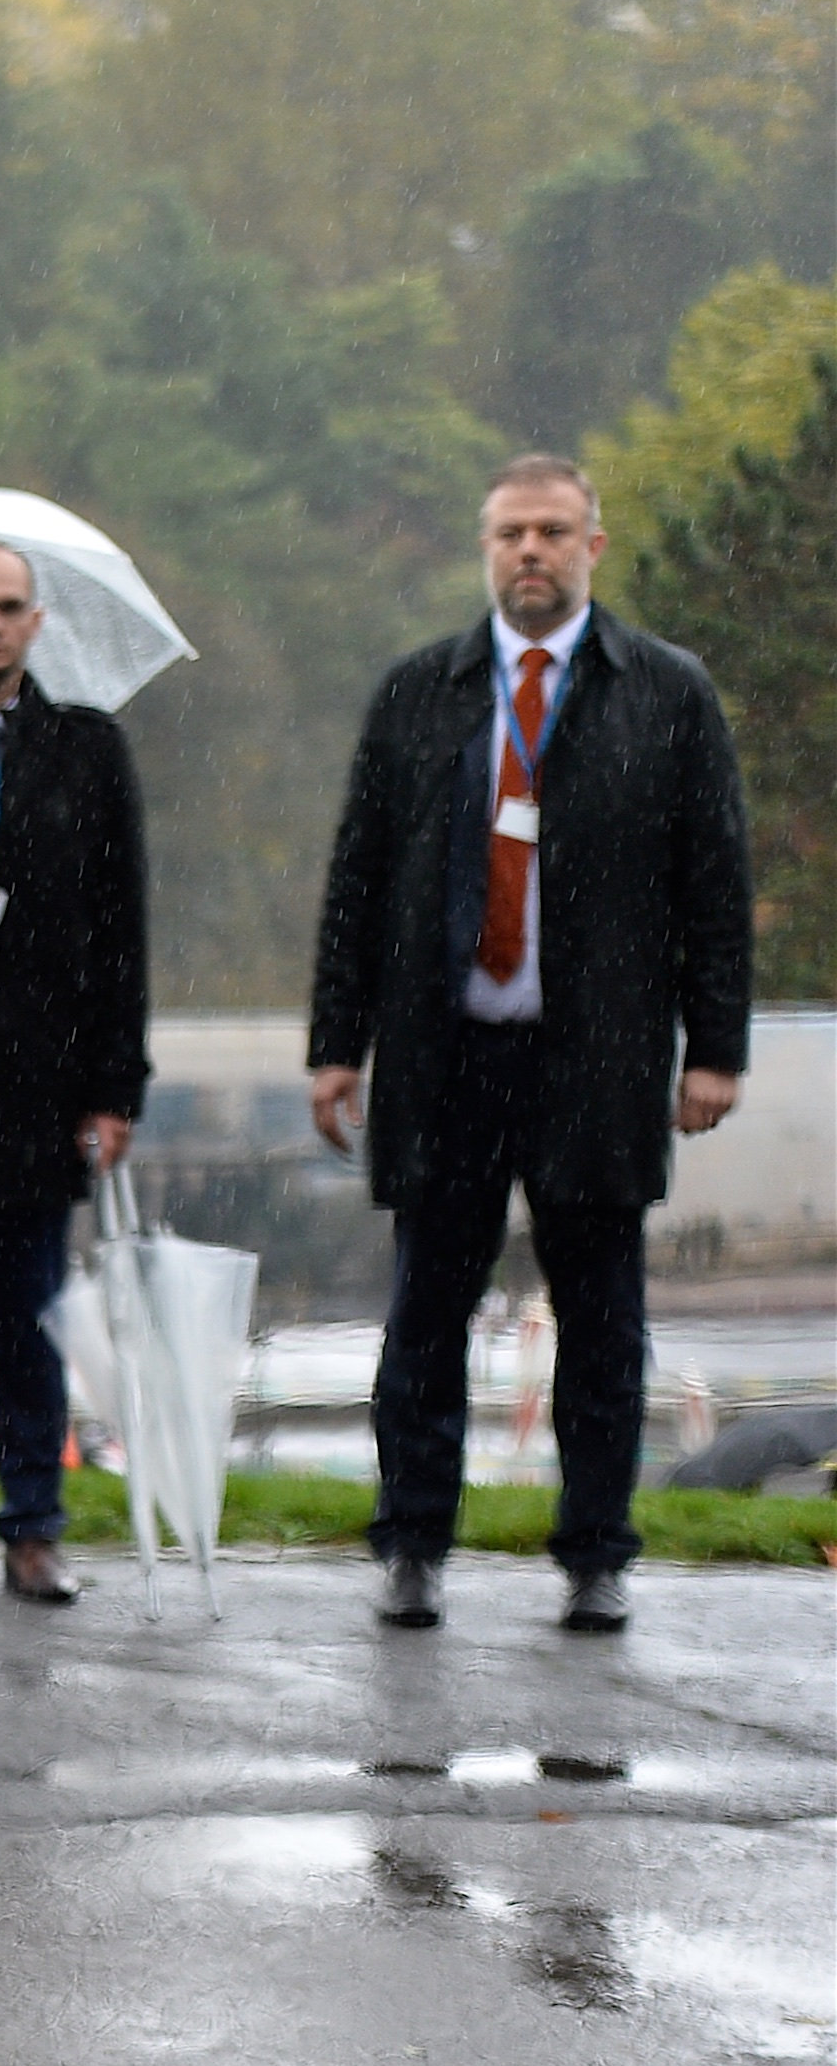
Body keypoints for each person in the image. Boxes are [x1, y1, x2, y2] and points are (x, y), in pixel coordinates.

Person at [308, 453, 748, 1636]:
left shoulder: (662, 691)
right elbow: (356, 878)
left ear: (592, 545)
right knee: (422, 1320)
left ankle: (595, 1553)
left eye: (551, 531)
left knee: (601, 1322)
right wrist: (332, 1044)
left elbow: (712, 880)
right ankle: (410, 1545)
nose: (529, 553)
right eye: (508, 533)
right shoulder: (420, 692)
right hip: (445, 1053)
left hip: (594, 1058)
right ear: (483, 547)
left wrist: (713, 1048)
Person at [0, 542, 150, 1604]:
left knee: (30, 1307)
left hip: (37, 1070)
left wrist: (113, 1087)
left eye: (8, 607)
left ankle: (29, 1522)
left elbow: (121, 929)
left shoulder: (85, 750)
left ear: (36, 620)